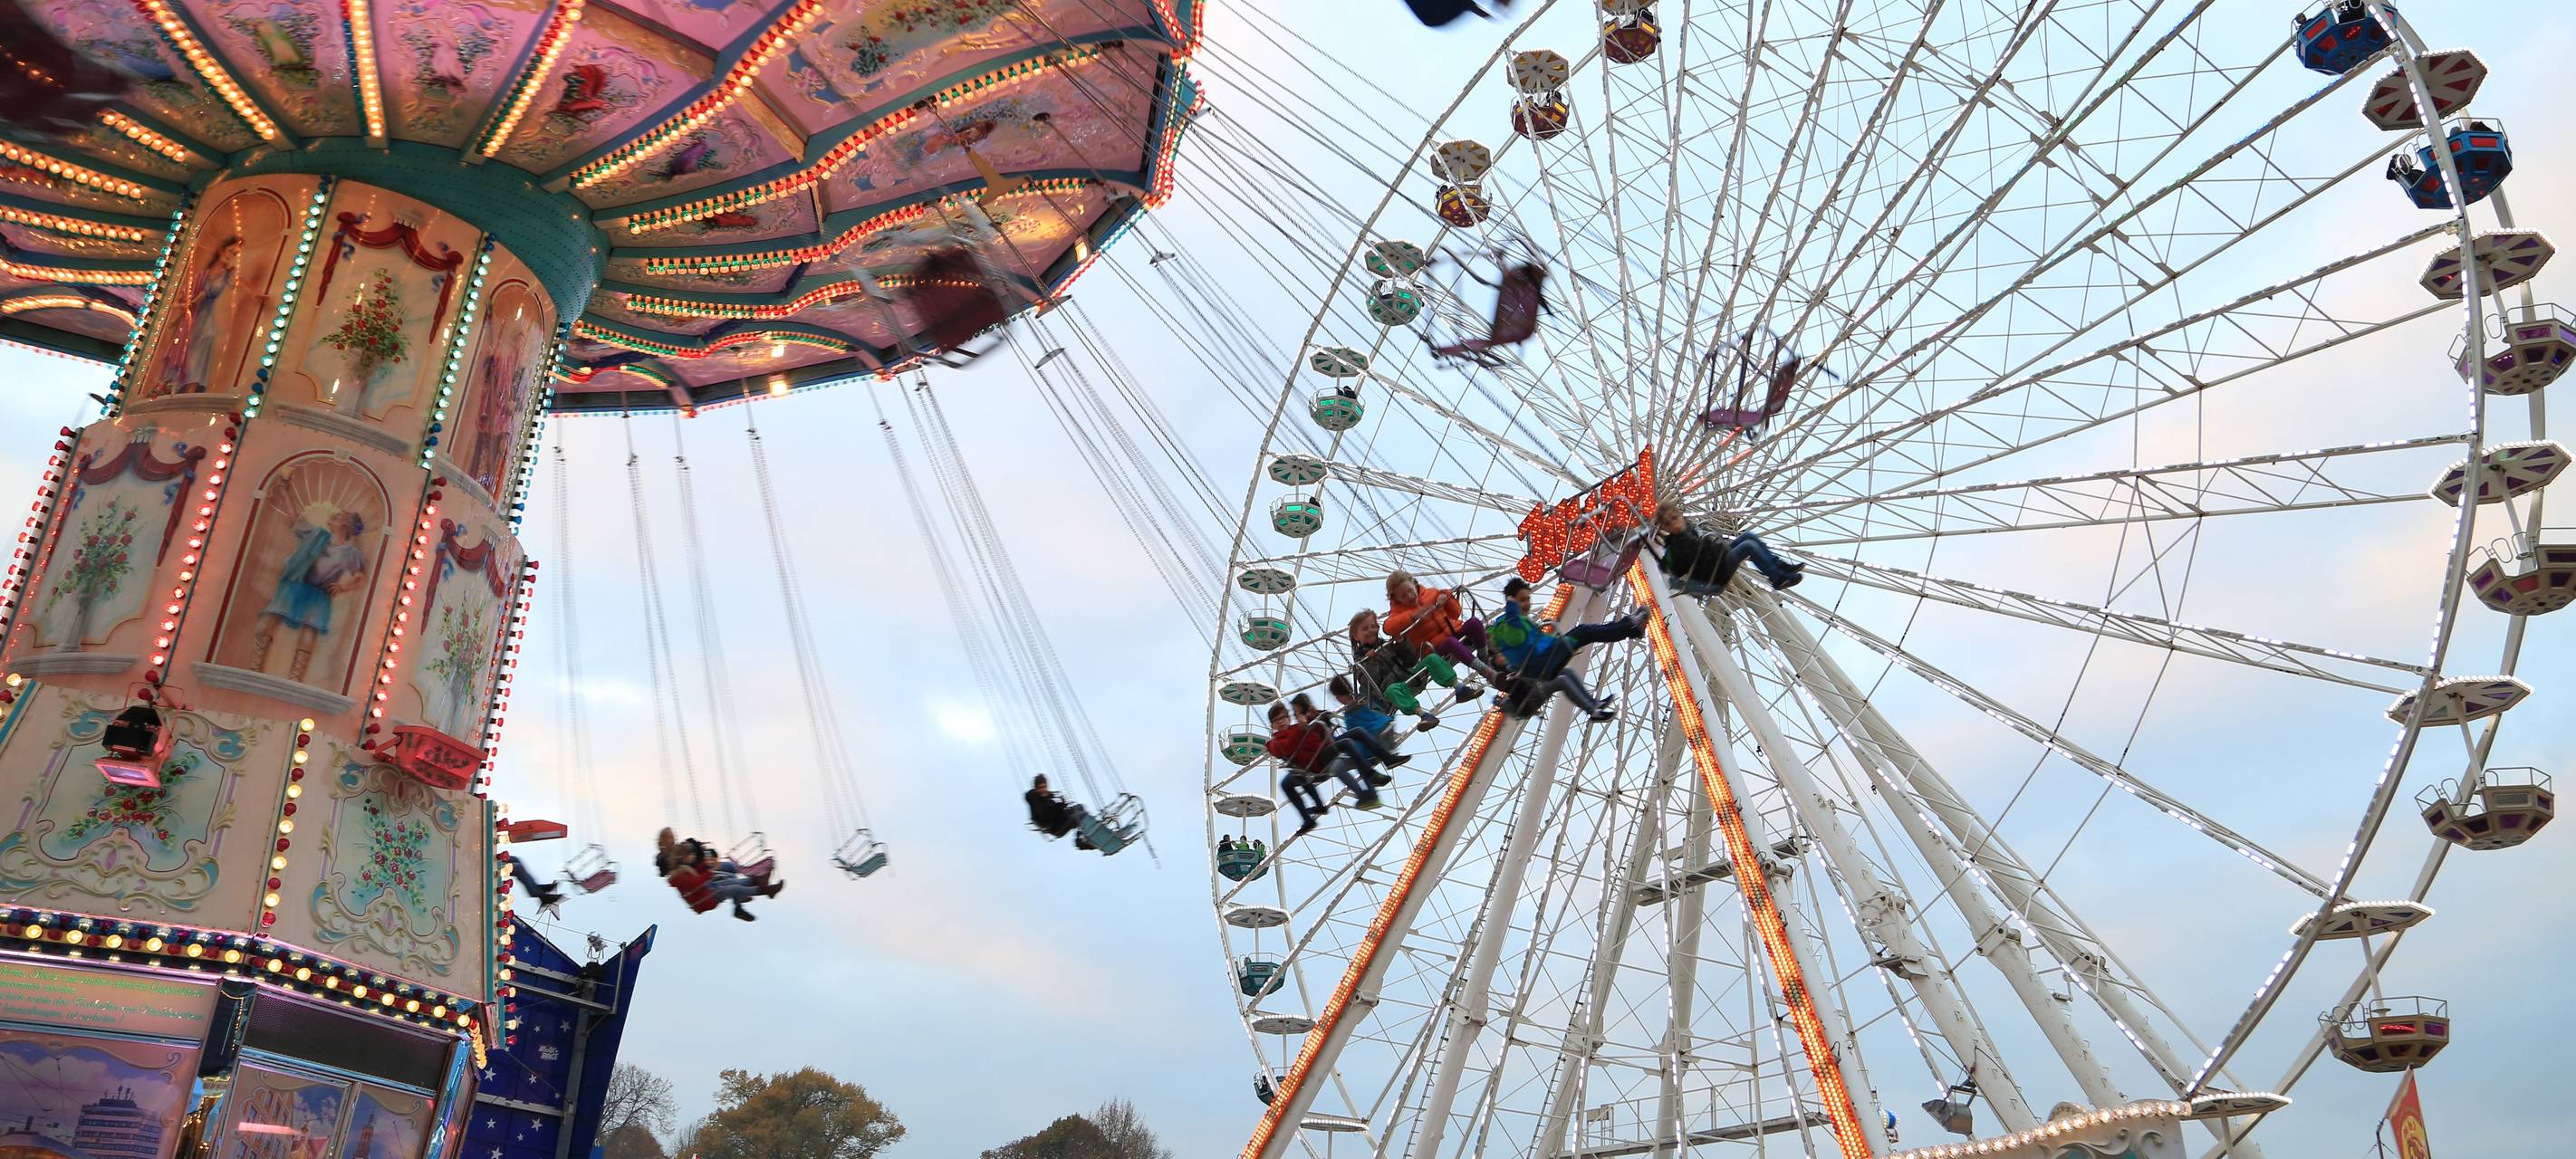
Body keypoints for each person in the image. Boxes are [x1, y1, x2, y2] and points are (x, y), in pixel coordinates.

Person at [1485, 577, 1639, 723]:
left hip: (1542, 661)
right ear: (1512, 601)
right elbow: (1515, 639)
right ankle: (1631, 627)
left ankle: (1594, 706)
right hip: (1540, 663)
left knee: (1571, 665)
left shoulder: (1511, 623)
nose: (1527, 604)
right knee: (1584, 633)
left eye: (1528, 599)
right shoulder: (1508, 626)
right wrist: (1511, 610)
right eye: (1522, 600)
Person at [1265, 701, 1381, 836]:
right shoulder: (1274, 742)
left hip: (1318, 759)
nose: (1281, 722)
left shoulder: (1298, 727)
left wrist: (1316, 718)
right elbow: (1286, 747)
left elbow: (1316, 735)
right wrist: (1302, 729)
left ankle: (1318, 808)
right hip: (1309, 767)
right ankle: (1311, 815)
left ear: (1288, 718)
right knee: (1288, 782)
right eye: (1276, 720)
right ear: (1272, 724)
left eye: (1283, 718)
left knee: (1350, 747)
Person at [1351, 609, 1469, 729]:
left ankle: (1459, 688)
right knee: (1392, 690)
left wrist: (1402, 642)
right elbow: (1372, 683)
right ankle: (1424, 716)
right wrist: (1371, 662)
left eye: (1373, 626)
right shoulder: (1360, 664)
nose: (1371, 631)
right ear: (1356, 636)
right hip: (1395, 691)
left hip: (1411, 677)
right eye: (1365, 629)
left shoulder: (1388, 645)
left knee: (1432, 659)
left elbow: (1411, 659)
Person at [1382, 570, 1495, 691]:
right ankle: (1483, 670)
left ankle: (1484, 655)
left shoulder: (1432, 593)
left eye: (1410, 590)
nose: (1409, 596)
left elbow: (1455, 613)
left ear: (1414, 584)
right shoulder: (1397, 612)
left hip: (1454, 630)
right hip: (1435, 648)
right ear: (1396, 598)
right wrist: (1413, 616)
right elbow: (1388, 628)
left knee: (1475, 623)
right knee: (1451, 642)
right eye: (1403, 596)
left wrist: (1447, 597)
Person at [1652, 506, 1802, 594]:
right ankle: (1777, 578)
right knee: (1748, 546)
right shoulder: (1673, 544)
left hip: (1718, 556)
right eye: (1668, 522)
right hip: (1713, 572)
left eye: (1675, 517)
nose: (1674, 522)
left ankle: (1779, 565)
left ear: (1680, 514)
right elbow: (1676, 568)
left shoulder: (1690, 527)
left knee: (1748, 535)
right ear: (1665, 527)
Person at [1328, 675, 1411, 783]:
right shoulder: (1365, 697)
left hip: (1374, 742)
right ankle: (1375, 773)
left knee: (1350, 753)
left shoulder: (1350, 713)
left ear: (1338, 696)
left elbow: (1355, 740)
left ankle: (1370, 779)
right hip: (1386, 729)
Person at [1024, 774, 1098, 850]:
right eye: (1040, 788)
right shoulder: (1035, 800)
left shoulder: (1050, 795)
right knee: (1081, 816)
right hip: (1055, 828)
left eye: (1044, 787)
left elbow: (1058, 808)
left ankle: (1088, 832)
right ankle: (1082, 841)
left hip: (1060, 819)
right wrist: (1055, 802)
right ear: (1036, 789)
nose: (1043, 790)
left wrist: (1062, 802)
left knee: (1080, 807)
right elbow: (1045, 815)